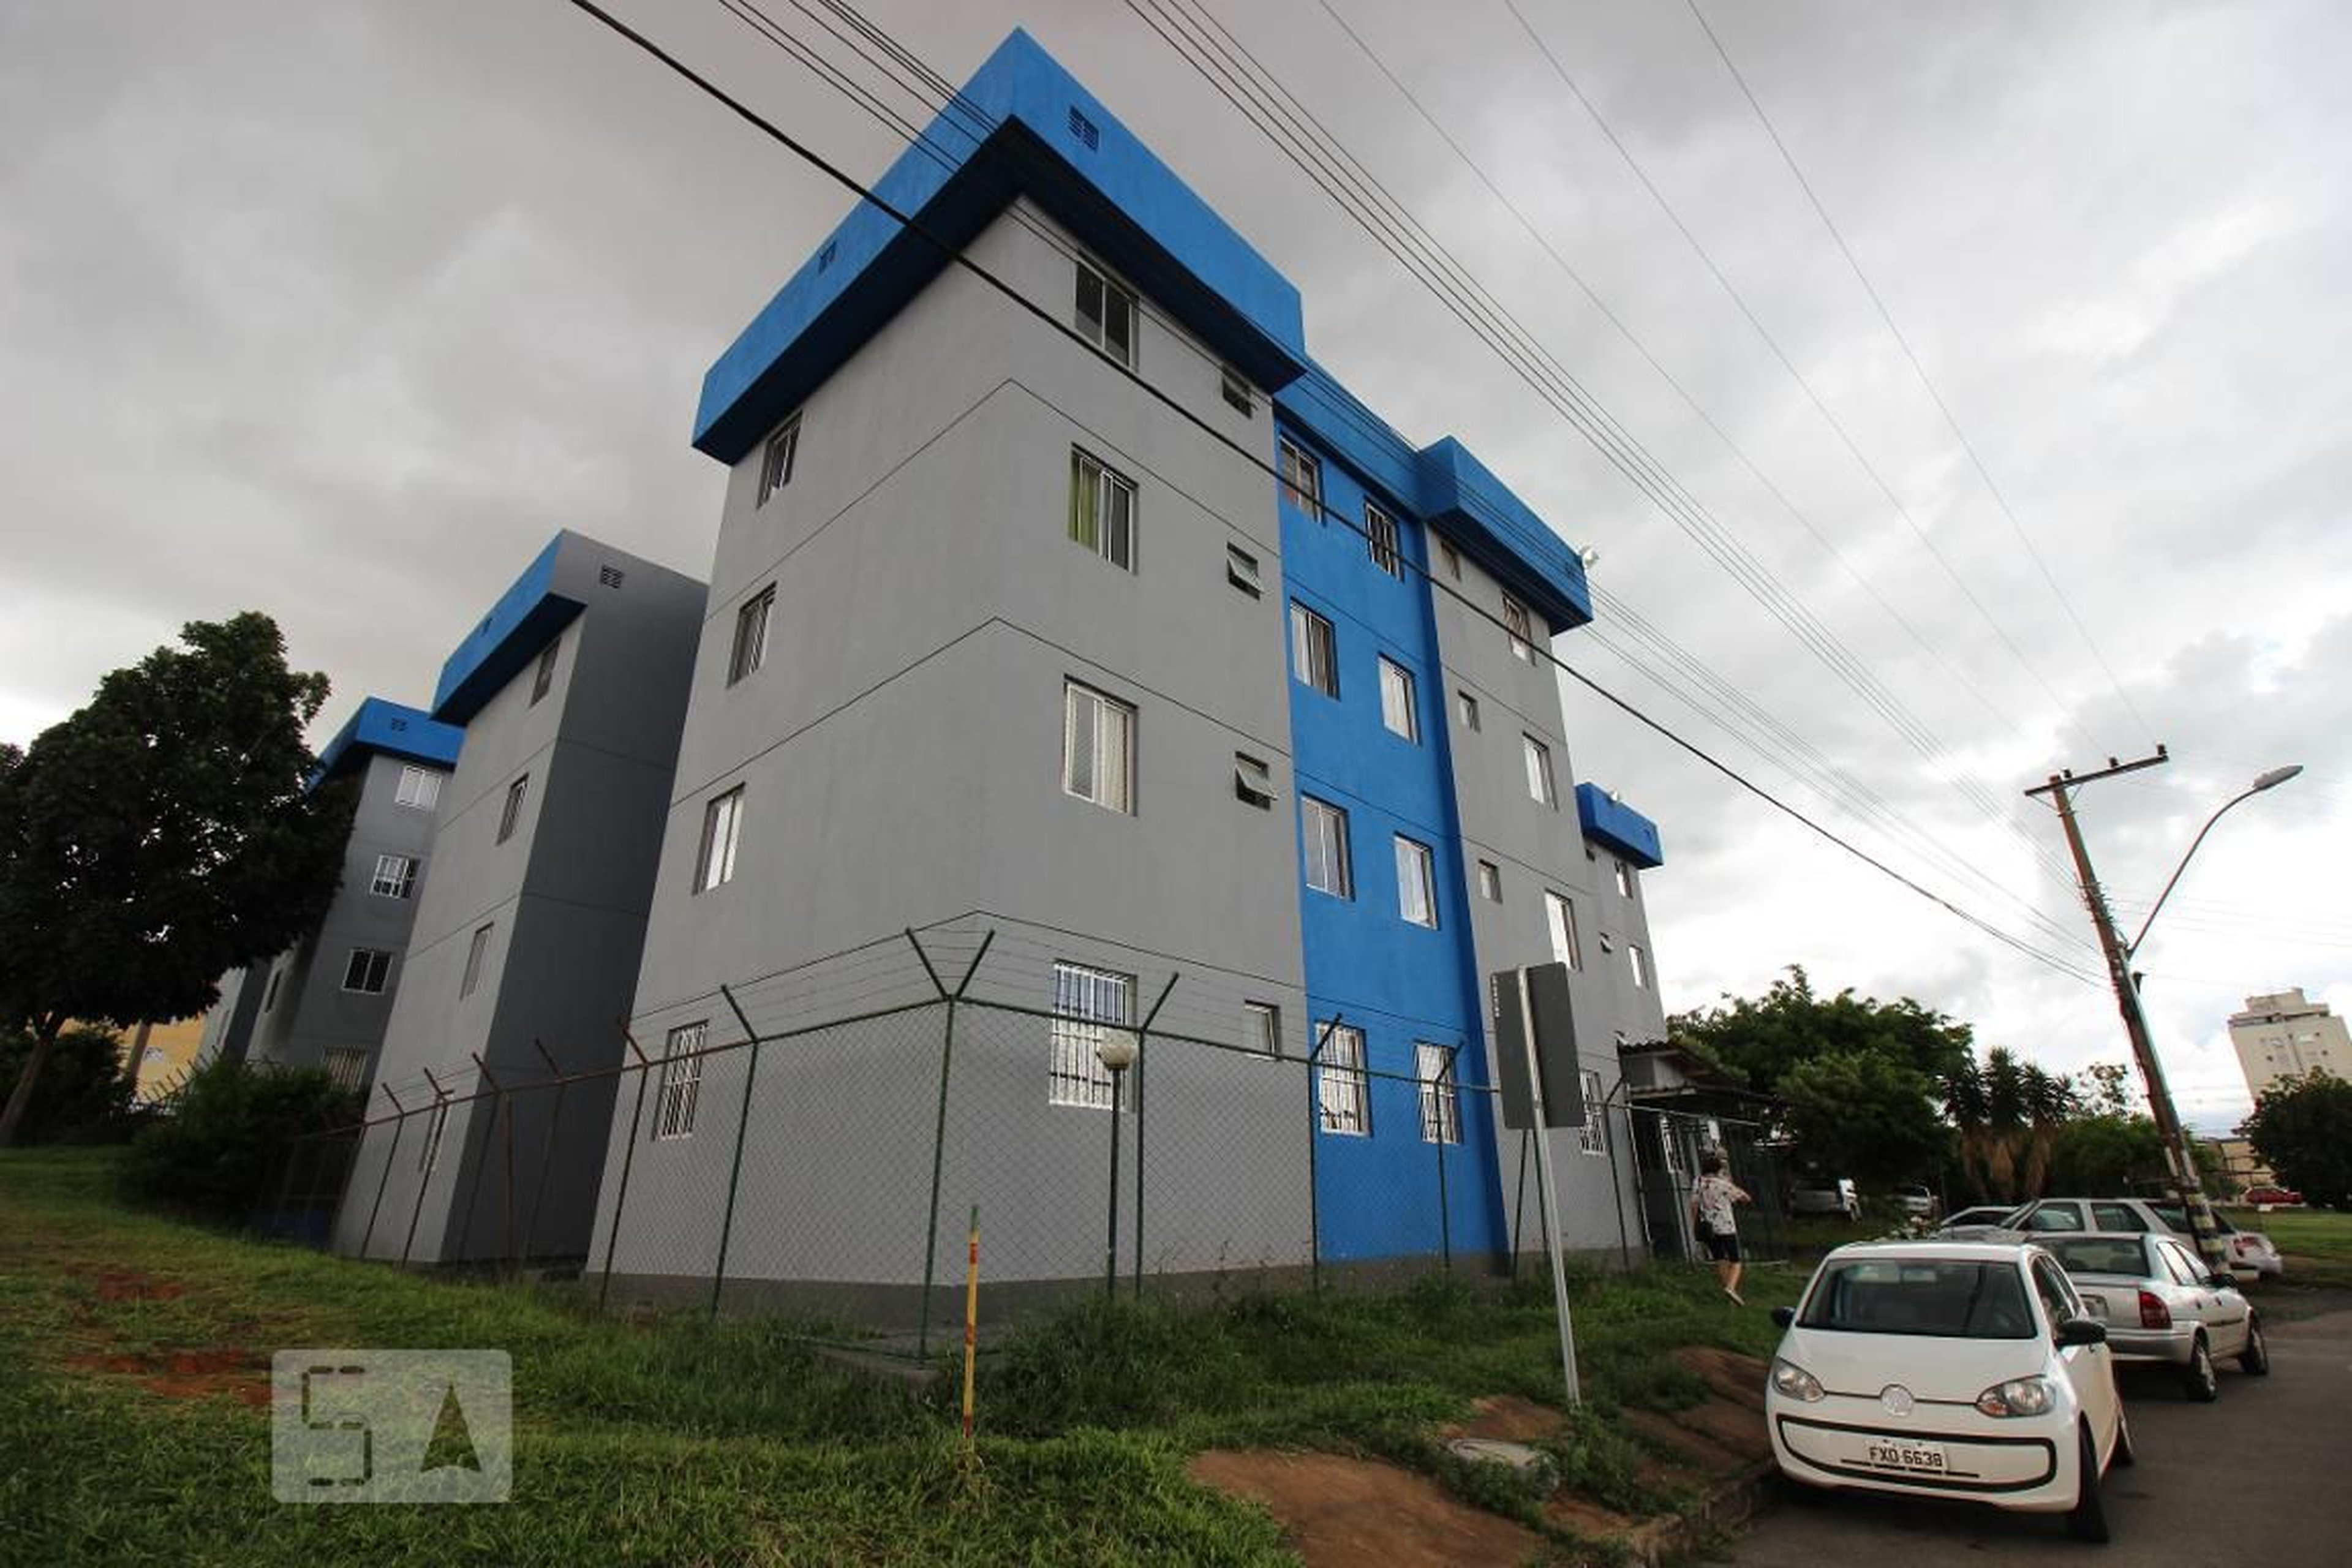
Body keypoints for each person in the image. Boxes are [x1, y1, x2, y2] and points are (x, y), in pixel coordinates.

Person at [1691, 1152, 1752, 1305]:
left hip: (1709, 1227)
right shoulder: (1723, 1184)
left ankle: (1730, 1292)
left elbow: (1694, 1205)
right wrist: (1729, 1183)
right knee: (1736, 1261)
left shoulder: (1698, 1182)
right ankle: (1731, 1288)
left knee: (1720, 1259)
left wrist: (1695, 1223)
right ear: (1718, 1169)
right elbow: (1745, 1198)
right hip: (1726, 1226)